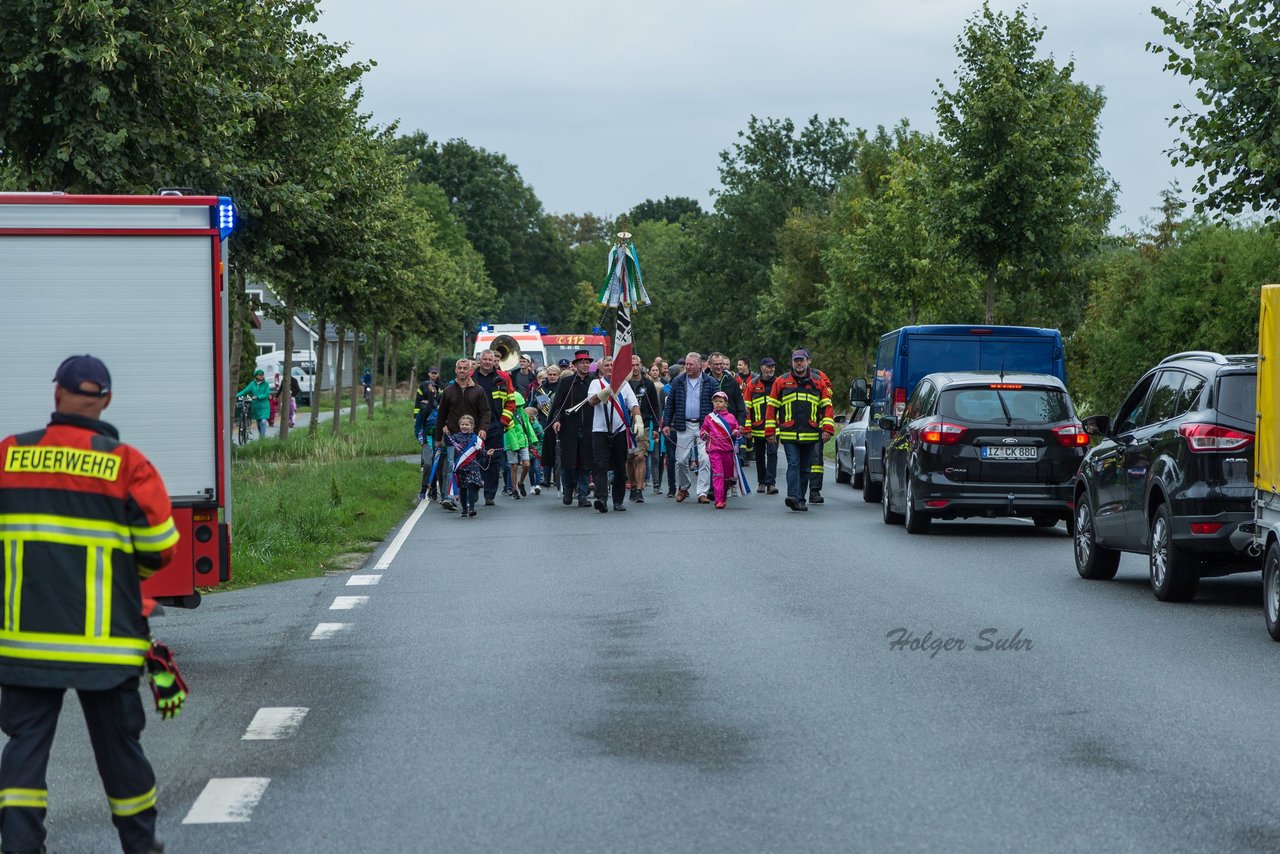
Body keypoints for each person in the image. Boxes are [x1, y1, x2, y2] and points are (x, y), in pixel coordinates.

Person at [0, 355, 180, 854]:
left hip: (26, 642)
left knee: (25, 752)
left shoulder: (8, 455)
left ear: (55, 395)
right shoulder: (127, 464)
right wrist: (124, 576)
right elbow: (161, 547)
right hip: (107, 646)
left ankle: (18, 847)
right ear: (105, 401)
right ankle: (140, 847)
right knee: (120, 752)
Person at [765, 349, 834, 511]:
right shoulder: (781, 381)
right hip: (789, 433)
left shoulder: (817, 381)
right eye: (796, 360)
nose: (799, 363)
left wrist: (827, 429)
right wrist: (770, 432)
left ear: (807, 361)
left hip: (810, 432)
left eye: (801, 360)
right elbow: (771, 408)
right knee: (793, 464)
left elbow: (827, 407)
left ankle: (801, 499)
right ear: (792, 362)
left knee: (805, 468)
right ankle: (793, 496)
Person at [433, 359, 490, 512]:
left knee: (472, 468)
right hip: (452, 436)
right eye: (460, 368)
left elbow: (485, 412)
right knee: (452, 465)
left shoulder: (478, 390)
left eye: (466, 368)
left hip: (472, 438)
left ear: (470, 370)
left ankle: (472, 492)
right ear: (456, 370)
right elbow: (441, 415)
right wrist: (438, 438)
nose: (463, 371)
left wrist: (483, 428)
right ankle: (449, 498)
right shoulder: (449, 390)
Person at [588, 356, 643, 512]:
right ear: (600, 368)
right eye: (606, 365)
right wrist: (607, 390)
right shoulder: (595, 383)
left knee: (620, 467)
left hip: (619, 432)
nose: (610, 368)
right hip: (600, 431)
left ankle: (618, 500)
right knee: (600, 466)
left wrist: (638, 420)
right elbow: (592, 401)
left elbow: (633, 405)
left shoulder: (624, 385)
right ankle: (601, 499)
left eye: (612, 365)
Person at [661, 352, 716, 504]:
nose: (688, 367)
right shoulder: (678, 381)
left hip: (704, 426)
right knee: (681, 460)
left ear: (699, 365)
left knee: (705, 459)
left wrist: (717, 424)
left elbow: (718, 404)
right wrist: (666, 423)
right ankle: (684, 486)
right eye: (687, 364)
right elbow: (670, 403)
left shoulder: (710, 382)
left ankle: (702, 492)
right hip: (683, 425)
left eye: (691, 364)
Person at [548, 349, 595, 507]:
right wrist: (557, 419)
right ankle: (568, 489)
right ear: (575, 365)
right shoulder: (567, 382)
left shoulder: (593, 382)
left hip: (588, 427)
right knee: (568, 461)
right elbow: (558, 405)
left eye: (587, 362)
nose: (585, 365)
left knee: (585, 462)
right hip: (569, 427)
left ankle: (582, 494)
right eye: (582, 362)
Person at [471, 349, 517, 506]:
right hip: (475, 425)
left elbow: (511, 401)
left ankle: (489, 495)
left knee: (494, 460)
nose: (487, 362)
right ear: (480, 360)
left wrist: (504, 421)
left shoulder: (503, 377)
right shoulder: (471, 377)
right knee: (474, 459)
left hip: (496, 424)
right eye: (484, 359)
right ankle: (474, 490)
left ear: (494, 361)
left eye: (490, 360)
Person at [700, 390, 743, 509]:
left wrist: (736, 432)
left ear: (726, 403)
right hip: (714, 450)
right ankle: (718, 499)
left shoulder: (731, 417)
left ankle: (723, 496)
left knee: (727, 476)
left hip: (728, 450)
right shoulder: (709, 418)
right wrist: (704, 435)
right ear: (712, 403)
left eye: (720, 401)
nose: (718, 404)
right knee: (718, 474)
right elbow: (703, 431)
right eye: (716, 401)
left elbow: (738, 431)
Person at [626, 355, 660, 503]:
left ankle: (639, 490)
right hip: (626, 425)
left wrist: (656, 427)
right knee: (629, 458)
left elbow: (655, 406)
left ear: (641, 366)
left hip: (643, 424)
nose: (635, 368)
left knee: (640, 456)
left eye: (637, 365)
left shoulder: (648, 384)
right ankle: (633, 485)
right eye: (632, 365)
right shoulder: (624, 384)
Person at [744, 357, 780, 494]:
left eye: (773, 367)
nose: (771, 369)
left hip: (774, 428)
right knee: (759, 456)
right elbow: (747, 407)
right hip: (757, 427)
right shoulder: (752, 385)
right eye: (768, 367)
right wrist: (747, 428)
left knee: (772, 454)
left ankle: (771, 483)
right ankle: (761, 482)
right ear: (762, 368)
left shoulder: (778, 383)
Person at [806, 363, 836, 505]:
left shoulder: (819, 377)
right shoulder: (789, 378)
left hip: (816, 424)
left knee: (816, 461)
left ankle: (814, 491)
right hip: (796, 427)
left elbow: (827, 397)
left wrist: (826, 428)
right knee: (798, 462)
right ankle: (796, 492)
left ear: (809, 361)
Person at [447, 414, 485, 518]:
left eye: (467, 425)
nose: (464, 426)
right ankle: (464, 509)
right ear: (459, 425)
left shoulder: (476, 439)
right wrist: (445, 433)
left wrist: (488, 454)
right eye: (462, 424)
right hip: (461, 468)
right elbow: (447, 443)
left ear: (472, 426)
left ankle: (472, 509)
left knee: (471, 486)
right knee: (463, 489)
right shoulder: (455, 437)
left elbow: (481, 453)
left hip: (472, 467)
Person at [504, 390, 535, 498]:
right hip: (511, 442)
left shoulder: (521, 412)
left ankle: (520, 482)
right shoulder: (506, 414)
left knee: (527, 464)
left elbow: (527, 425)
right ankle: (514, 489)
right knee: (514, 465)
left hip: (523, 440)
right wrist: (514, 445)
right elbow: (509, 430)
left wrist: (533, 438)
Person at [236, 368, 271, 440]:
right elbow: (245, 391)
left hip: (264, 406)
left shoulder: (266, 384)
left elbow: (267, 394)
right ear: (256, 376)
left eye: (262, 375)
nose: (262, 376)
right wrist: (235, 395)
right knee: (258, 423)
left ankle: (262, 438)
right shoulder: (252, 384)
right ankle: (261, 435)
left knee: (263, 421)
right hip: (256, 406)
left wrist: (258, 397)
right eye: (260, 375)